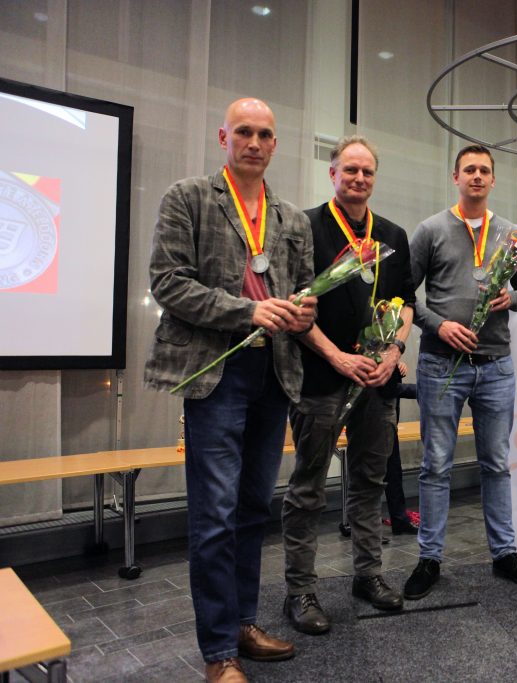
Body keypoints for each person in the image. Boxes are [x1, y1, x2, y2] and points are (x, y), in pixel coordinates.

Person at [145, 98, 316, 683]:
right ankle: (219, 652)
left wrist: (304, 309)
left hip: (274, 372)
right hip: (215, 372)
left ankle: (244, 623)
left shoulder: (290, 218)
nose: (255, 142)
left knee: (251, 509)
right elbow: (168, 283)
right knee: (215, 514)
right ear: (224, 137)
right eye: (244, 131)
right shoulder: (188, 197)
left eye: (265, 134)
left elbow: (303, 290)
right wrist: (248, 311)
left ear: (275, 144)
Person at [281, 136, 415, 634]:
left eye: (367, 171)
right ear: (332, 173)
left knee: (369, 482)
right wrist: (337, 357)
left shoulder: (393, 235)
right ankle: (300, 590)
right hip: (321, 378)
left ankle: (368, 575)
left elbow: (406, 305)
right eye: (350, 170)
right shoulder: (304, 227)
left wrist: (393, 353)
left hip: (377, 382)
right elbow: (294, 307)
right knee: (308, 488)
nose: (359, 178)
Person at [404, 144, 517, 599]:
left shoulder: (510, 235)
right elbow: (404, 295)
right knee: (436, 465)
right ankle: (429, 558)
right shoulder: (430, 230)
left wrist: (512, 298)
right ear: (456, 177)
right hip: (441, 363)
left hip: (496, 365)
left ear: (493, 179)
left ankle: (504, 553)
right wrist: (439, 325)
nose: (477, 176)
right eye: (469, 169)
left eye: (484, 170)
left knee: (496, 464)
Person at [383, 361, 419, 535]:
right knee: (371, 474)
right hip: (376, 411)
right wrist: (422, 390)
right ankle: (366, 528)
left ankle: (399, 519)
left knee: (393, 469)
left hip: (389, 413)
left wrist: (396, 365)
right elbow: (381, 387)